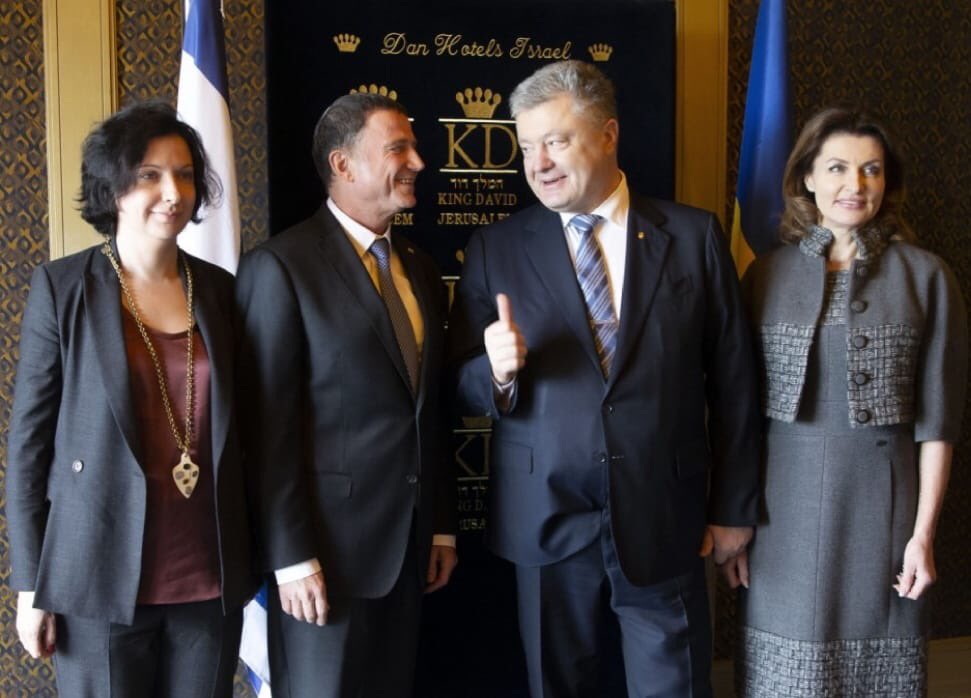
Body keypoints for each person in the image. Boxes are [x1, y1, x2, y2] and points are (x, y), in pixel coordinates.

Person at [448, 59, 760, 697]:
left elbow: (735, 386)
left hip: (665, 516)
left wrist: (733, 508)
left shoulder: (693, 237)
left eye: (555, 141)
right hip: (546, 521)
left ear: (608, 134)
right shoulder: (495, 247)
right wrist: (495, 373)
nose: (538, 164)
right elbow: (458, 383)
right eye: (526, 147)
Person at [5, 100, 256, 697]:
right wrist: (30, 585)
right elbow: (28, 446)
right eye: (149, 175)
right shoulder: (62, 287)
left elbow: (251, 432)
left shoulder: (222, 291)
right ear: (113, 188)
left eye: (185, 175)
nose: (173, 192)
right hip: (96, 575)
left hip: (208, 574)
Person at [736, 107, 968, 696]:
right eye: (838, 167)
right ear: (807, 177)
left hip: (885, 510)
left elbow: (938, 426)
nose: (856, 184)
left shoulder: (927, 278)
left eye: (872, 169)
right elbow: (737, 419)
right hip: (778, 511)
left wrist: (923, 536)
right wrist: (734, 520)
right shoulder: (763, 276)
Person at [235, 92, 457, 697]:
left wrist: (439, 526)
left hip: (409, 553)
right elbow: (266, 431)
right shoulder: (280, 267)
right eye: (399, 148)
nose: (418, 162)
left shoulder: (420, 267)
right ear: (343, 164)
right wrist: (290, 557)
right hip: (321, 563)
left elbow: (427, 411)